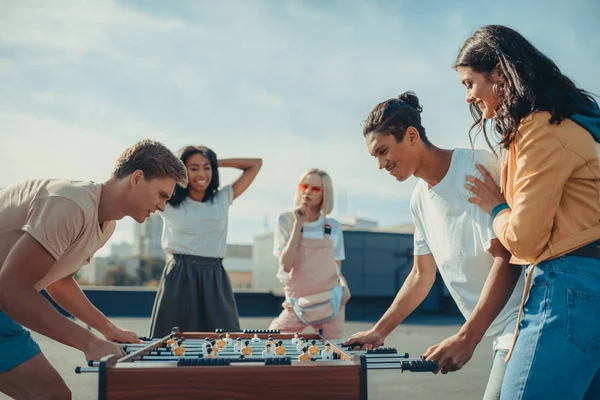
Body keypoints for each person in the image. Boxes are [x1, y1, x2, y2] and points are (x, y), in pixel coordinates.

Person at [343, 92, 525, 400]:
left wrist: (467, 337)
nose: (380, 164)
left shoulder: (474, 167)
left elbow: (506, 257)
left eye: (383, 151)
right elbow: (420, 274)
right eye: (375, 156)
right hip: (498, 332)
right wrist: (379, 331)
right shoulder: (418, 199)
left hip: (524, 322)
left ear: (411, 136)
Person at [455, 25, 600, 400]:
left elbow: (525, 238)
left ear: (500, 75)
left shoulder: (540, 126)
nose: (469, 97)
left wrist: (496, 206)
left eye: (470, 83)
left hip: (569, 286)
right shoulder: (575, 121)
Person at [0, 139, 187, 399]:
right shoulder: (71, 204)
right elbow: (10, 290)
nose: (162, 206)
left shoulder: (106, 223)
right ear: (137, 178)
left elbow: (59, 281)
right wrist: (89, 343)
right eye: (162, 195)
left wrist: (107, 329)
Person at [149, 146, 262, 337]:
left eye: (206, 168)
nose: (201, 173)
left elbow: (255, 164)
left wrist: (217, 163)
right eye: (193, 168)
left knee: (225, 342)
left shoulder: (222, 197)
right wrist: (177, 166)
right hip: (180, 276)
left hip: (214, 275)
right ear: (183, 171)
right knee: (173, 344)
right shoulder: (168, 201)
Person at [268, 169, 350, 339]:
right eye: (305, 186)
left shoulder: (333, 226)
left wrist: (344, 287)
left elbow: (337, 268)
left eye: (315, 189)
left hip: (330, 303)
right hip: (297, 305)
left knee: (334, 358)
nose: (307, 192)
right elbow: (285, 265)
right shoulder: (286, 220)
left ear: (324, 194)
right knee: (272, 343)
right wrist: (298, 225)